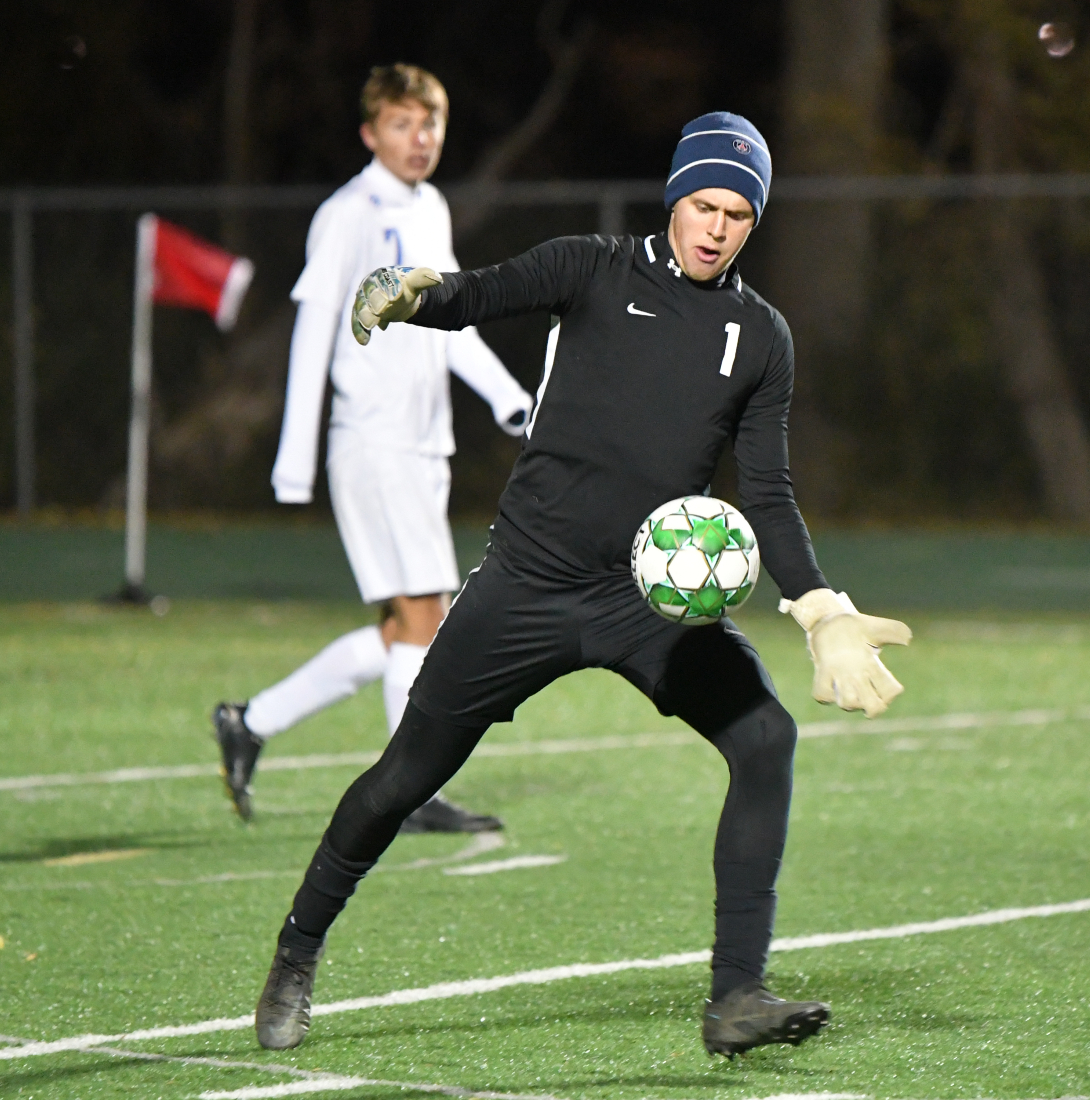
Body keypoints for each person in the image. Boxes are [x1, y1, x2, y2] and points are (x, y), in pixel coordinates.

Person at [252, 112, 913, 1058]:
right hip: (525, 581)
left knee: (766, 737)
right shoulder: (593, 266)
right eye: (702, 204)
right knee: (405, 776)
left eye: (736, 213)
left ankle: (736, 998)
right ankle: (296, 952)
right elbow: (480, 294)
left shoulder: (761, 337)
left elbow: (767, 490)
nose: (716, 227)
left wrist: (821, 611)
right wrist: (411, 290)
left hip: (645, 601)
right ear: (674, 197)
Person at [211, 64, 533, 831]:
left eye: (430, 125)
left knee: (405, 628)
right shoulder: (348, 213)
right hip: (373, 440)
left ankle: (251, 722)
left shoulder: (433, 207)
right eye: (401, 124)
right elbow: (314, 329)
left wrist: (507, 397)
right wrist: (293, 458)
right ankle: (410, 792)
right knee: (429, 614)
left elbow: (450, 322)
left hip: (425, 443)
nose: (418, 140)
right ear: (370, 132)